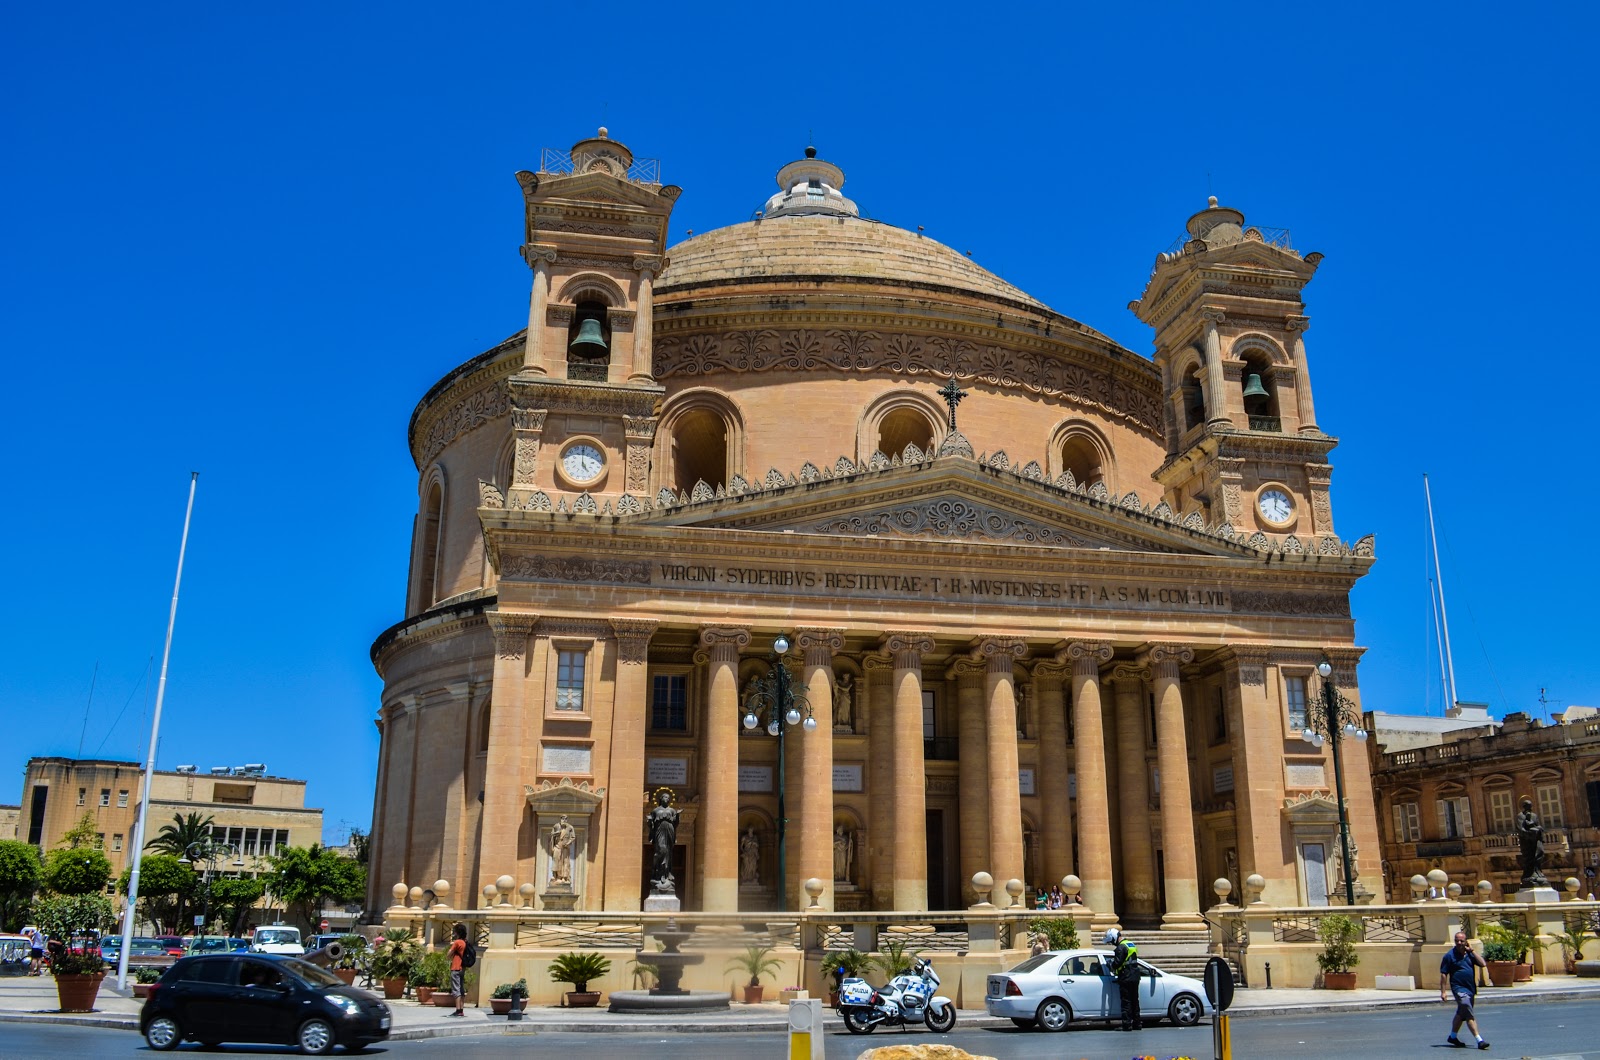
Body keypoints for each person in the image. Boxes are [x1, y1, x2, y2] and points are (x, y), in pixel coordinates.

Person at [1439, 930, 1489, 1049]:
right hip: (1458, 988)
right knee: (1467, 1011)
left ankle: (1452, 1036)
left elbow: (1483, 964)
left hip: (1470, 988)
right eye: (1457, 941)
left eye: (1461, 941)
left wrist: (1472, 951)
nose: (1459, 943)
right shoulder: (1449, 956)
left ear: (1466, 942)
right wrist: (1443, 992)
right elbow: (1443, 974)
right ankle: (1479, 1040)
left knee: (1462, 1013)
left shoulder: (1470, 954)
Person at [1106, 928, 1141, 1031]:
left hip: (1126, 977)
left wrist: (1110, 964)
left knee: (1126, 1002)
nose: (1112, 943)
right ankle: (1137, 1024)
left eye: (1111, 941)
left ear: (1114, 938)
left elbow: (1117, 964)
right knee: (1135, 1001)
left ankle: (1127, 1025)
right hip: (1135, 976)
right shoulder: (1130, 944)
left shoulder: (1120, 948)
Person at [447, 923, 468, 1017]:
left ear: (457, 932)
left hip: (456, 967)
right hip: (462, 968)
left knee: (456, 989)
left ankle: (458, 1010)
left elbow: (449, 954)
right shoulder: (465, 942)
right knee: (461, 989)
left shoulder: (457, 942)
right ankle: (461, 1010)